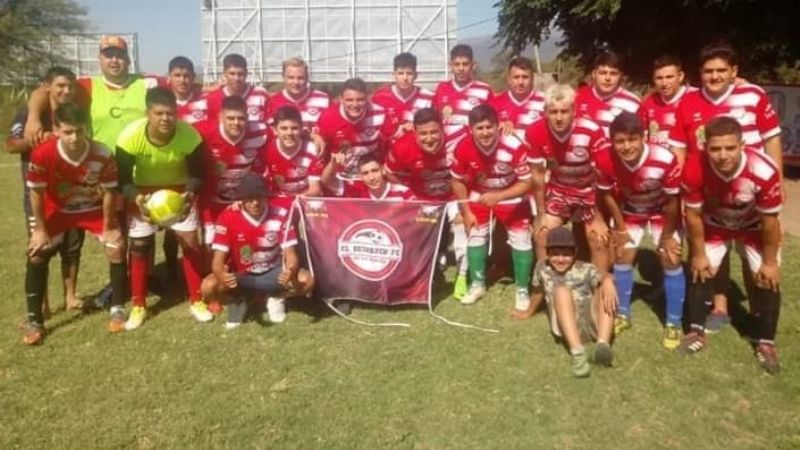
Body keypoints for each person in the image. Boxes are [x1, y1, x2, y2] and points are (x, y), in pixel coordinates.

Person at [668, 43, 782, 332]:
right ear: (700, 73)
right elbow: (680, 149)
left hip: (751, 190)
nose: (715, 76)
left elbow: (772, 138)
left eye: (721, 70)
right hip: (707, 189)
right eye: (709, 71)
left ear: (734, 71)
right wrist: (681, 190)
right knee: (709, 247)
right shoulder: (688, 102)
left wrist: (777, 180)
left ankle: (758, 310)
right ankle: (719, 307)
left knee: (749, 247)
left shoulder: (753, 94)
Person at [679, 117, 783, 375]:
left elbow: (770, 223)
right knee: (701, 269)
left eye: (730, 148)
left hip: (754, 228)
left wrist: (770, 263)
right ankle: (695, 332)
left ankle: (766, 343)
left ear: (742, 145)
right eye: (715, 149)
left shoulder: (764, 170)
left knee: (767, 278)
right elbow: (693, 215)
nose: (723, 155)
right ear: (705, 147)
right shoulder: (694, 167)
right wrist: (698, 254)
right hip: (715, 226)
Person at [23, 103, 129, 344]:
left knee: (116, 247)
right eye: (68, 132)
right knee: (36, 253)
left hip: (92, 209)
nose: (74, 137)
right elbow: (36, 193)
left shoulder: (102, 153)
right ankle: (34, 321)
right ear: (56, 130)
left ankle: (118, 309)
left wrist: (109, 226)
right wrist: (40, 230)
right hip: (58, 211)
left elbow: (110, 192)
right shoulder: (42, 154)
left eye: (80, 131)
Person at [115, 87, 211, 330]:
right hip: (144, 192)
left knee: (190, 242)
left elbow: (198, 174)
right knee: (140, 245)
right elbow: (122, 181)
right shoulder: (129, 137)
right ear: (148, 113)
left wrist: (189, 194)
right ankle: (139, 305)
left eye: (170, 113)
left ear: (176, 112)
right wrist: (137, 198)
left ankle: (197, 300)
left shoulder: (190, 135)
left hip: (178, 192)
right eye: (159, 113)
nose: (165, 119)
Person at [596, 113, 685, 348]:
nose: (626, 146)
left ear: (644, 137)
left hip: (661, 211)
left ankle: (673, 323)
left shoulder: (664, 158)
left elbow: (673, 200)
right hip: (630, 210)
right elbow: (607, 195)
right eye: (620, 141)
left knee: (671, 257)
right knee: (622, 254)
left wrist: (667, 237)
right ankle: (623, 314)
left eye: (632, 139)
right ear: (612, 141)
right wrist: (620, 228)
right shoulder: (604, 158)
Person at [6, 67, 85, 313]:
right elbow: (11, 145)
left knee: (72, 247)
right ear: (47, 87)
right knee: (40, 249)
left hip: (71, 194)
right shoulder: (31, 113)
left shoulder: (75, 113)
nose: (66, 91)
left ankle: (70, 296)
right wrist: (36, 139)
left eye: (70, 86)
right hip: (40, 196)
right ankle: (42, 304)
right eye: (60, 85)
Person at [201, 173, 314, 329]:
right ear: (241, 199)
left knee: (307, 280)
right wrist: (222, 275)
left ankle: (276, 297)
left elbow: (291, 255)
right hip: (241, 275)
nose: (255, 203)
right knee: (208, 287)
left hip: (273, 272)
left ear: (266, 197)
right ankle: (236, 302)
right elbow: (217, 261)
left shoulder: (280, 214)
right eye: (249, 198)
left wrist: (291, 270)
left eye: (259, 197)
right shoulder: (228, 217)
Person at [450, 104, 534, 310]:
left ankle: (522, 289)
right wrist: (466, 212)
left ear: (498, 126)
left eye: (489, 127)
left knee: (521, 239)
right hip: (480, 194)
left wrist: (500, 196)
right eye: (480, 128)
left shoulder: (513, 145)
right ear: (471, 129)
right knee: (475, 234)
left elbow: (527, 182)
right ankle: (477, 284)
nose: (485, 132)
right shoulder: (463, 146)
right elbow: (457, 180)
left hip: (511, 194)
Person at [526, 84, 611, 276]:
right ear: (545, 111)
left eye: (564, 111)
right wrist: (540, 214)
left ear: (574, 110)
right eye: (553, 112)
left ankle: (599, 286)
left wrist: (598, 217)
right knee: (542, 234)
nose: (558, 117)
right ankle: (547, 285)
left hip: (589, 192)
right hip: (559, 190)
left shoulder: (591, 130)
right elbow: (537, 175)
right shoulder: (535, 131)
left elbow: (601, 175)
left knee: (598, 238)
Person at [25, 35, 163, 151]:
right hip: (102, 163)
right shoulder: (86, 86)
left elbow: (175, 85)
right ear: (100, 59)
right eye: (108, 56)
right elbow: (43, 91)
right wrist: (33, 118)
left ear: (128, 60)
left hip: (141, 163)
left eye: (119, 56)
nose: (114, 60)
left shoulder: (148, 83)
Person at [531, 227, 617, 378]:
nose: (561, 259)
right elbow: (538, 291)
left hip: (591, 321)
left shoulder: (585, 268)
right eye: (555, 254)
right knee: (561, 291)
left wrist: (608, 280)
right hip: (567, 325)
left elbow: (602, 275)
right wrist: (528, 311)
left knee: (606, 285)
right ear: (547, 253)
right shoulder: (542, 267)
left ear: (575, 253)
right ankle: (578, 354)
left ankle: (602, 344)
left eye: (566, 254)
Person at [194, 95, 270, 248]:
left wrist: (313, 136)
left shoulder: (260, 132)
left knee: (243, 245)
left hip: (241, 201)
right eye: (230, 118)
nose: (236, 123)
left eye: (241, 118)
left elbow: (286, 131)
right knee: (212, 243)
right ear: (221, 117)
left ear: (247, 117)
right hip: (211, 201)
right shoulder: (202, 131)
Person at [317, 77, 394, 185]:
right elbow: (320, 145)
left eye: (360, 100)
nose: (355, 105)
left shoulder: (380, 113)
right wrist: (315, 136)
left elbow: (391, 145)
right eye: (349, 100)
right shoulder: (329, 117)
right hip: (340, 179)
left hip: (372, 178)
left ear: (367, 98)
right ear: (341, 99)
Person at [433, 44, 495, 156]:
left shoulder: (484, 90)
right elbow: (435, 119)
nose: (461, 68)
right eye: (457, 64)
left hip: (473, 151)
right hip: (445, 151)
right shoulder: (442, 88)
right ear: (450, 66)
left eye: (465, 64)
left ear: (473, 65)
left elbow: (493, 121)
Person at [264, 105, 324, 210]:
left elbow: (315, 189)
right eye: (284, 128)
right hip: (279, 201)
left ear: (301, 129)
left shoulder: (312, 149)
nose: (289, 133)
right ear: (275, 130)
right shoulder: (267, 151)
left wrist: (294, 201)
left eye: (294, 128)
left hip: (305, 200)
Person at [574, 51, 641, 137]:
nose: (607, 78)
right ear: (594, 74)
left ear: (621, 76)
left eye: (613, 73)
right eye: (603, 73)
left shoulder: (633, 104)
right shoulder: (576, 97)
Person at [371, 52, 435, 139]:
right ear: (394, 75)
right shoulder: (379, 98)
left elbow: (435, 127)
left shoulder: (429, 98)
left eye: (409, 73)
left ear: (416, 75)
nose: (405, 78)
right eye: (400, 73)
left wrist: (415, 127)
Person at [639, 55, 696, 146]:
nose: (664, 83)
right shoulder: (648, 102)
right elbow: (642, 139)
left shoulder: (695, 97)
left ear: (680, 76)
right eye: (659, 78)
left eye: (669, 77)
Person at [202, 53, 270, 123]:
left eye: (240, 74)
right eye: (232, 74)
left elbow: (270, 124)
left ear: (246, 73)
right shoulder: (212, 99)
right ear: (224, 73)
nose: (236, 78)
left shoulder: (261, 95)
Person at [489, 56, 546, 141]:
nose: (520, 82)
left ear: (532, 79)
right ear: (509, 79)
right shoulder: (496, 102)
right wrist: (498, 124)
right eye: (516, 77)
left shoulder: (544, 101)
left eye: (525, 77)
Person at [268, 57, 331, 133]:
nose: (296, 82)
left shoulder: (323, 99)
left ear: (307, 78)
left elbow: (330, 130)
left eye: (300, 78)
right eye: (291, 78)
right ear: (283, 77)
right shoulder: (272, 101)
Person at [322, 153, 414, 200]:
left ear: (383, 170)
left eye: (375, 171)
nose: (371, 178)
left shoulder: (403, 192)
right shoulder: (356, 190)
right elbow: (326, 181)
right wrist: (332, 164)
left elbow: (418, 217)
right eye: (365, 173)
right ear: (360, 176)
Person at [168, 56, 206, 124]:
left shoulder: (204, 101)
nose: (182, 80)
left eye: (186, 76)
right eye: (177, 75)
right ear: (169, 76)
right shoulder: (164, 103)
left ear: (193, 76)